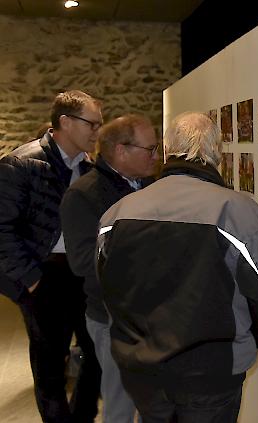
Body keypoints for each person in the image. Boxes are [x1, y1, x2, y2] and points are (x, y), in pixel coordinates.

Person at [96, 112, 258, 423]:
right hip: (211, 372)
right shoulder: (239, 214)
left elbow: (107, 285)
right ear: (217, 153)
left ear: (166, 150)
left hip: (142, 369)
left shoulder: (118, 214)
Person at [0, 90, 102, 422]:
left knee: (96, 354)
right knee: (49, 366)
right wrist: (31, 280)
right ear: (66, 122)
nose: (97, 131)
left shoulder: (89, 167)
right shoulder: (20, 164)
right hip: (42, 275)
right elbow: (1, 230)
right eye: (92, 123)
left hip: (82, 274)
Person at [60, 114, 160, 423]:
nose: (157, 157)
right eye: (150, 149)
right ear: (121, 151)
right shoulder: (83, 195)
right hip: (112, 317)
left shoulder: (152, 186)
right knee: (119, 400)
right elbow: (81, 261)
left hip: (153, 314)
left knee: (154, 400)